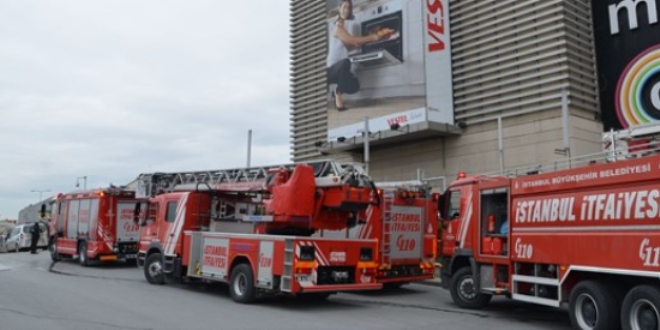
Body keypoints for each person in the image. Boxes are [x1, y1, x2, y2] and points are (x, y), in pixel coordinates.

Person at [326, 0, 392, 111]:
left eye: (349, 8)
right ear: (339, 9)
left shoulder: (343, 28)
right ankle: (338, 95)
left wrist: (371, 37)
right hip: (331, 70)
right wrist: (373, 37)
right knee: (346, 62)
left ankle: (339, 89)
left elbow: (352, 45)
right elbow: (352, 40)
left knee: (355, 85)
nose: (347, 10)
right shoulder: (337, 27)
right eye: (344, 7)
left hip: (340, 71)